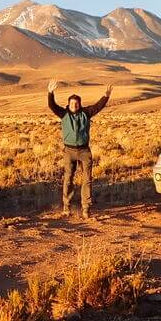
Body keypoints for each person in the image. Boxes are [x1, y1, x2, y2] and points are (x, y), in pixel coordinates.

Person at [47, 79, 112, 218]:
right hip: (69, 151)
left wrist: (106, 96)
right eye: (72, 103)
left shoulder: (86, 113)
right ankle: (67, 207)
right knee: (68, 178)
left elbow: (98, 106)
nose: (74, 105)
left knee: (87, 180)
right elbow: (52, 106)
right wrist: (50, 93)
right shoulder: (63, 114)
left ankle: (86, 208)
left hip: (84, 151)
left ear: (79, 104)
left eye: (76, 103)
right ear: (68, 104)